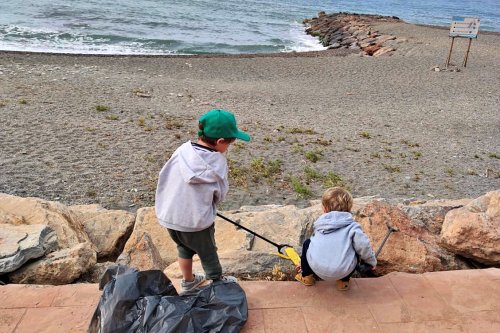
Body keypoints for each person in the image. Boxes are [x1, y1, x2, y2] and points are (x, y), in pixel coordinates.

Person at [155, 109, 250, 293]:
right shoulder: (217, 163)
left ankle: (188, 281)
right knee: (208, 253)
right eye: (229, 143)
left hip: (170, 217)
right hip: (196, 222)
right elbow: (220, 195)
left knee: (183, 248)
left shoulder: (182, 150)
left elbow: (165, 176)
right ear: (220, 141)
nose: (228, 148)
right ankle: (217, 282)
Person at [295, 187, 377, 290]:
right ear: (349, 208)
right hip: (343, 271)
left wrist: (303, 261)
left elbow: (316, 244)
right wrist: (371, 262)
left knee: (307, 243)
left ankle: (307, 277)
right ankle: (343, 283)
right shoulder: (352, 227)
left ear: (324, 209)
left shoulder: (319, 224)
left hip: (317, 268)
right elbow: (364, 246)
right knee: (355, 247)